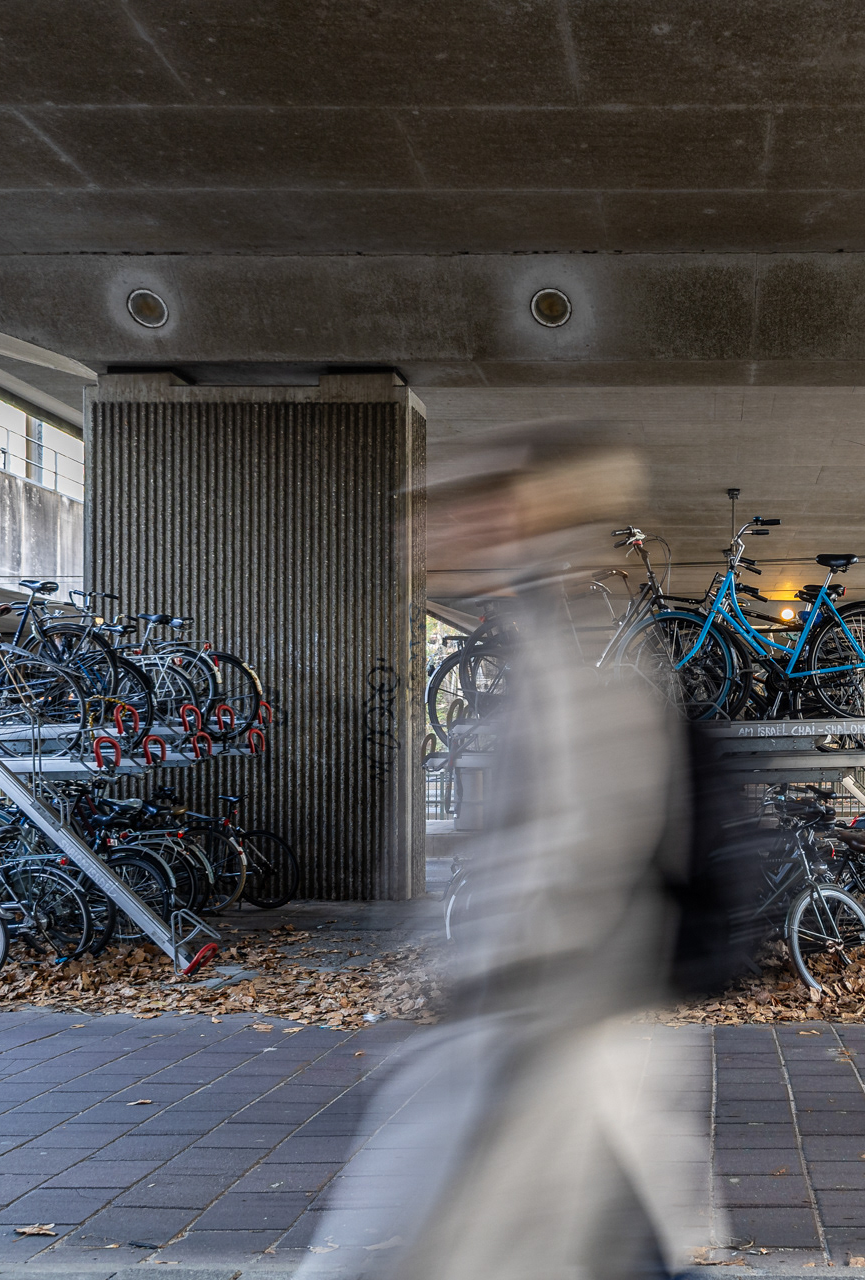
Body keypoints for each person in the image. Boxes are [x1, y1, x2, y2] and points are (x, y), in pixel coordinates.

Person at [295, 428, 735, 1280]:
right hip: (544, 1030)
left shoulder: (573, 656)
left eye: (453, 507)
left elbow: (582, 848)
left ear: (514, 517)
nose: (425, 528)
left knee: (429, 1244)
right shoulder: (548, 642)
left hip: (544, 1026)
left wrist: (501, 976)